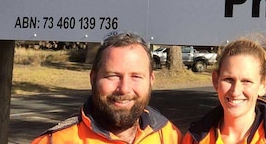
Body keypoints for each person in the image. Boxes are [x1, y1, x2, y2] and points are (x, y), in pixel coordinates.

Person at [31, 32, 181, 144]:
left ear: (151, 80)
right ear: (93, 78)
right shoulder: (55, 141)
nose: (124, 88)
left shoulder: (169, 136)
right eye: (112, 76)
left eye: (136, 76)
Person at [182, 37, 266, 144]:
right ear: (215, 80)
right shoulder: (194, 139)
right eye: (229, 79)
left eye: (246, 81)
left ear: (263, 85)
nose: (235, 91)